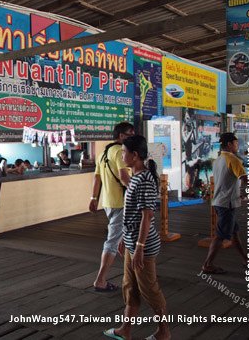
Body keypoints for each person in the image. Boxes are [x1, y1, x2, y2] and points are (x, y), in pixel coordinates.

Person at [104, 135, 170, 340]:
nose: (121, 155)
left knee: (149, 289)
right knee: (130, 287)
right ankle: (126, 329)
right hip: (133, 242)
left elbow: (147, 216)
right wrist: (126, 237)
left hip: (144, 245)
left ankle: (163, 331)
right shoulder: (136, 178)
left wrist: (140, 246)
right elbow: (132, 214)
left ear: (135, 155)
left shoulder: (144, 180)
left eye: (124, 152)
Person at [201, 132, 249, 274]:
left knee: (234, 232)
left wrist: (239, 193)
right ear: (230, 144)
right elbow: (246, 180)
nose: (237, 145)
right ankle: (207, 264)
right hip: (227, 204)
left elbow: (227, 181)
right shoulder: (233, 160)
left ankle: (245, 258)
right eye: (236, 143)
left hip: (220, 201)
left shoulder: (218, 159)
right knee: (220, 236)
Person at [88, 121, 134, 292]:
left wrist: (93, 198)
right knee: (113, 241)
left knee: (123, 236)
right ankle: (100, 280)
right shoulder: (121, 152)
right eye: (130, 134)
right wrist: (138, 192)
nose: (132, 137)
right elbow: (124, 177)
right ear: (121, 136)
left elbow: (97, 178)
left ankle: (134, 270)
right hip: (121, 202)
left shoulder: (103, 153)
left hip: (107, 202)